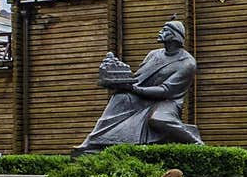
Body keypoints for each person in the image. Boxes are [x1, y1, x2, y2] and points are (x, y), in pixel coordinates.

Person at [73, 20, 202, 155]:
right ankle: (93, 141)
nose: (160, 32)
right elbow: (138, 78)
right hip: (143, 95)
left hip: (167, 101)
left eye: (165, 30)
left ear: (175, 35)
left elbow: (166, 91)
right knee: (120, 98)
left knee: (158, 119)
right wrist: (120, 83)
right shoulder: (153, 54)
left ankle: (194, 141)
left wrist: (134, 89)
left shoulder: (187, 63)